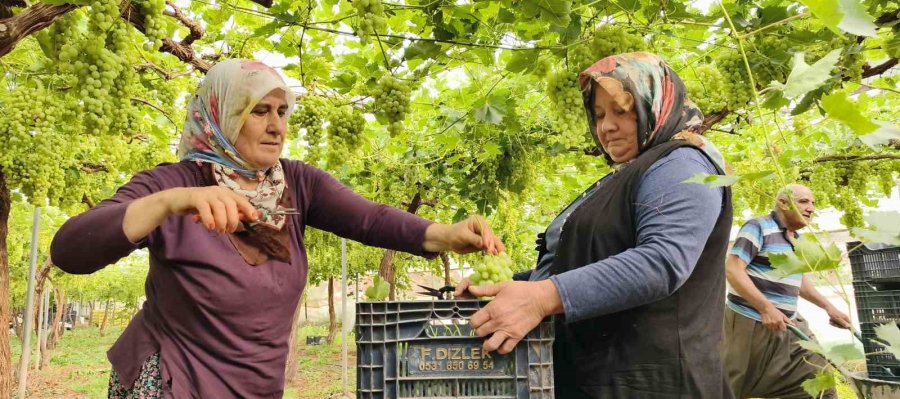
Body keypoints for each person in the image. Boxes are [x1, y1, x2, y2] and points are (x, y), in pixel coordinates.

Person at [50, 59, 505, 398]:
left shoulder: (296, 185)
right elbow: (70, 250)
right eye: (259, 111)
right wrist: (170, 203)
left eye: (282, 112)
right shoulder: (173, 184)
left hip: (256, 385)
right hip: (174, 381)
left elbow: (371, 219)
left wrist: (446, 234)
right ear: (223, 116)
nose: (276, 127)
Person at [455, 52, 734, 398]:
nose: (606, 126)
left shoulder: (683, 163)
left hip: (655, 385)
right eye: (599, 115)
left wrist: (541, 298)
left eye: (621, 111)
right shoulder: (633, 173)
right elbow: (587, 261)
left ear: (656, 103)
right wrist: (511, 286)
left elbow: (662, 262)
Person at [723, 184, 851, 399]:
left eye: (813, 203)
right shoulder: (758, 227)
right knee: (731, 386)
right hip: (750, 320)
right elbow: (733, 269)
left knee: (819, 379)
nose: (811, 208)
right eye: (803, 201)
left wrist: (829, 307)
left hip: (789, 322)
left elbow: (798, 280)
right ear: (782, 203)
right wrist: (766, 308)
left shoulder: (796, 240)